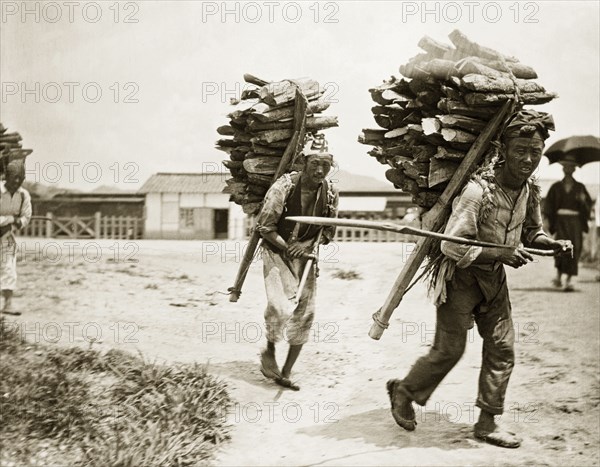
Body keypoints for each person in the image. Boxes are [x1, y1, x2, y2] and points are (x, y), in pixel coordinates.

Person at [386, 110, 572, 448]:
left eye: (535, 151)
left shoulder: (530, 190)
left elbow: (532, 233)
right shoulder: (478, 191)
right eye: (520, 150)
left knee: (503, 348)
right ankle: (404, 390)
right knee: (449, 350)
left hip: (494, 281)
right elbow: (451, 245)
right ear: (503, 148)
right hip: (460, 278)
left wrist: (552, 244)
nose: (528, 159)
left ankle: (487, 423)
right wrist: (499, 254)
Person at [255, 134, 338, 390]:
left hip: (307, 256)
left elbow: (328, 232)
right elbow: (265, 227)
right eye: (315, 163)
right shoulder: (283, 188)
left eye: (325, 163)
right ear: (303, 161)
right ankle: (269, 349)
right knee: (280, 308)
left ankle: (286, 372)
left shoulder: (331, 192)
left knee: (305, 314)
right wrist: (287, 246)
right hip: (276, 252)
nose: (320, 169)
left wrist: (304, 247)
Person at [543, 154, 593, 291]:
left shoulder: (580, 187)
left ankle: (569, 280)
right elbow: (548, 206)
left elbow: (588, 207)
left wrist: (583, 202)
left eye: (571, 166)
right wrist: (547, 222)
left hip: (575, 222)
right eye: (565, 166)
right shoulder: (556, 187)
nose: (568, 169)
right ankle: (558, 277)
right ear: (562, 168)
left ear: (575, 169)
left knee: (574, 248)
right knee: (560, 247)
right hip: (561, 222)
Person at [0, 160, 32, 315]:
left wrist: (20, 222)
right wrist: (11, 219)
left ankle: (8, 304)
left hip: (6, 236)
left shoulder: (23, 195)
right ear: (7, 176)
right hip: (5, 228)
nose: (17, 181)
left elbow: (26, 216)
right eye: (14, 177)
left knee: (9, 268)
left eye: (21, 178)